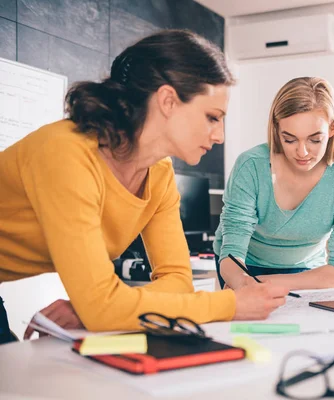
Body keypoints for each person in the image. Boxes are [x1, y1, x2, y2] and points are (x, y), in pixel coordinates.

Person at [0, 30, 289, 343]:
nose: (220, 136)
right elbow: (102, 306)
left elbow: (178, 280)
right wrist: (230, 305)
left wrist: (98, 307)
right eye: (212, 117)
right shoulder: (65, 152)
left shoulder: (159, 173)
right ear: (167, 101)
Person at [213, 77, 334, 290]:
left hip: (308, 271)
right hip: (241, 267)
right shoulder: (251, 166)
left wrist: (264, 285)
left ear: (332, 129)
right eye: (290, 139)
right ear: (277, 130)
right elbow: (232, 250)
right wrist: (243, 284)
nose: (302, 152)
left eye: (315, 140)